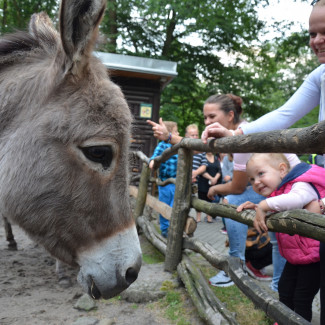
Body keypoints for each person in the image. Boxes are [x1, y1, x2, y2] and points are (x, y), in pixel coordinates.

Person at [200, 1, 325, 319]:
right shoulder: (319, 75)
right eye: (312, 33)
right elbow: (285, 114)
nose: (317, 41)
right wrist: (236, 134)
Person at [237, 153, 325, 322]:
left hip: (314, 258)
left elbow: (295, 200)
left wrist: (263, 205)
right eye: (251, 179)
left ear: (282, 170)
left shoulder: (300, 184)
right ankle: (283, 319)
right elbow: (282, 207)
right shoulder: (280, 192)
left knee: (301, 298)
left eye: (261, 174)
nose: (256, 182)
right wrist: (258, 208)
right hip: (296, 257)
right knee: (284, 289)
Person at [149, 121, 179, 238]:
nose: (178, 133)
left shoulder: (177, 145)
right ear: (170, 132)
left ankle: (174, 229)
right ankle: (165, 229)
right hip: (164, 183)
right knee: (163, 206)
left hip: (176, 182)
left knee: (174, 207)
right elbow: (155, 155)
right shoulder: (162, 145)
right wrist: (152, 161)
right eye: (176, 131)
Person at [185, 124, 208, 222]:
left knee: (192, 201)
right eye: (192, 135)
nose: (194, 137)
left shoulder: (202, 150)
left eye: (196, 135)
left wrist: (195, 172)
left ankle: (190, 219)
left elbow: (204, 165)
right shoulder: (184, 148)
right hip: (183, 180)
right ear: (186, 136)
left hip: (195, 182)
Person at [197, 152, 222, 223]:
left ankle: (209, 217)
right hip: (203, 182)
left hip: (213, 183)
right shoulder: (203, 157)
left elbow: (219, 170)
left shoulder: (216, 158)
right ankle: (198, 217)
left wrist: (215, 179)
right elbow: (202, 171)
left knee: (210, 199)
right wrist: (211, 178)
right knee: (201, 199)